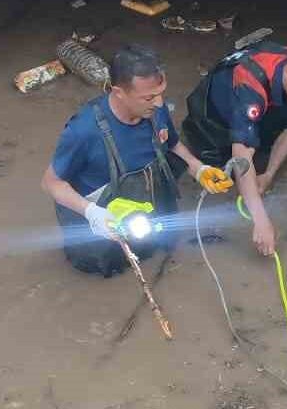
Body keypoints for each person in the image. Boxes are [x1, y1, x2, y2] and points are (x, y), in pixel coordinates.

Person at [41, 44, 233, 277]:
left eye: (161, 92)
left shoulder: (153, 110)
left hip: (145, 211)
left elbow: (171, 143)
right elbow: (51, 183)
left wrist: (198, 168)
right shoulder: (84, 131)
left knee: (151, 246)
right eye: (149, 97)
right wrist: (92, 213)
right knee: (104, 268)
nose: (160, 103)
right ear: (119, 92)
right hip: (104, 227)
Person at [182, 39, 287, 256]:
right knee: (223, 174)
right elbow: (242, 156)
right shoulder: (250, 85)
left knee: (260, 163)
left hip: (260, 101)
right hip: (213, 114)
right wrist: (261, 220)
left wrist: (269, 174)